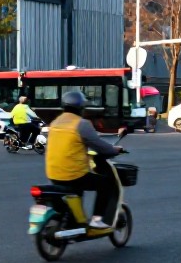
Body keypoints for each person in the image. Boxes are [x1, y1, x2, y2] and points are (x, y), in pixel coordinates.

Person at [44, 91, 124, 230]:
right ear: (80, 108)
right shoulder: (81, 124)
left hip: (53, 174)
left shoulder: (55, 122)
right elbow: (98, 145)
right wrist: (113, 150)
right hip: (74, 175)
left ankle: (74, 220)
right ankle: (97, 219)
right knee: (106, 184)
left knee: (77, 190)